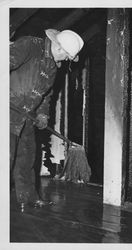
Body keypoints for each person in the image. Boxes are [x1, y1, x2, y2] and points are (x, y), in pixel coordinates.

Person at [10, 29, 84, 208]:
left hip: (26, 117)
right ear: (59, 48)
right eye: (67, 57)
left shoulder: (52, 66)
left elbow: (47, 94)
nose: (66, 60)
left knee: (27, 159)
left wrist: (43, 114)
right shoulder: (30, 45)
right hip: (6, 111)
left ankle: (28, 197)